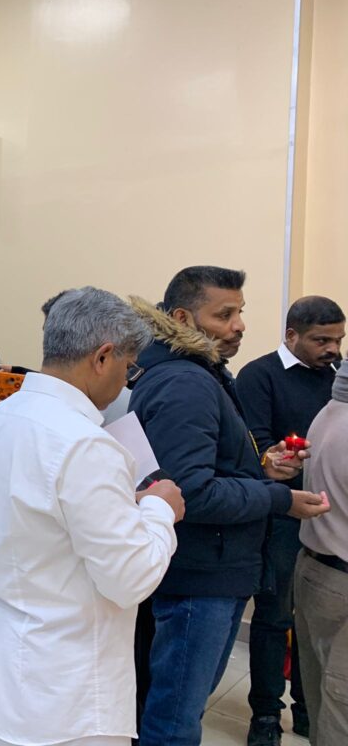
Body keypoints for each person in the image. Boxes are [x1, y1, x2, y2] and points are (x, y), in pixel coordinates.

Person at [0, 286, 184, 746]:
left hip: (3, 668)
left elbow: (34, 520)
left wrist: (121, 505)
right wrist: (160, 508)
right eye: (127, 367)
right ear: (102, 357)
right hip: (68, 690)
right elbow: (130, 578)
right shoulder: (84, 443)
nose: (125, 382)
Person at [128, 267, 331, 746]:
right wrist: (280, 498)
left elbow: (202, 468)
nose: (239, 325)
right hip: (200, 576)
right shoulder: (186, 383)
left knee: (172, 705)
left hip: (205, 567)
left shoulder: (198, 372)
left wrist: (261, 467)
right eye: (225, 315)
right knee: (174, 720)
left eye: (240, 312)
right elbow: (191, 491)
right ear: (182, 318)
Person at [237, 295, 345, 744]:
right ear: (291, 335)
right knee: (274, 615)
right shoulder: (259, 376)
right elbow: (256, 447)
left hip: (327, 516)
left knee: (311, 621)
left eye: (339, 339)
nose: (333, 349)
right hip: (282, 513)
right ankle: (266, 713)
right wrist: (279, 460)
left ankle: (306, 707)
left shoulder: (337, 378)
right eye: (322, 340)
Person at [295, 362, 348, 746]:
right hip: (341, 578)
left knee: (322, 700)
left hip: (317, 569)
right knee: (339, 716)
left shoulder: (330, 411)